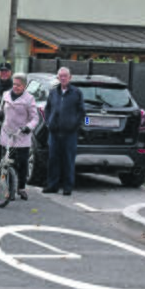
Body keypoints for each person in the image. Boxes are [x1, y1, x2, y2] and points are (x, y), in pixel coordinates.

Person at [42, 67, 85, 196]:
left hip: (70, 133)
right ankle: (52, 185)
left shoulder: (76, 93)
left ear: (70, 77)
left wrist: (76, 125)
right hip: (54, 132)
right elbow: (47, 108)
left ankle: (67, 187)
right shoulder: (54, 92)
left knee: (68, 160)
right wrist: (49, 122)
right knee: (53, 160)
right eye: (60, 76)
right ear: (58, 78)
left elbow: (82, 113)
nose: (63, 78)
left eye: (65, 76)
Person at [0, 73, 39, 201]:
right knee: (7, 162)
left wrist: (28, 127)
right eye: (14, 84)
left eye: (18, 85)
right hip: (7, 134)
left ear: (24, 86)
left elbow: (34, 118)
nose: (15, 87)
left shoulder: (29, 98)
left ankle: (21, 187)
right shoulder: (6, 95)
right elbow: (0, 110)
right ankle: (8, 188)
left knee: (22, 163)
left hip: (21, 135)